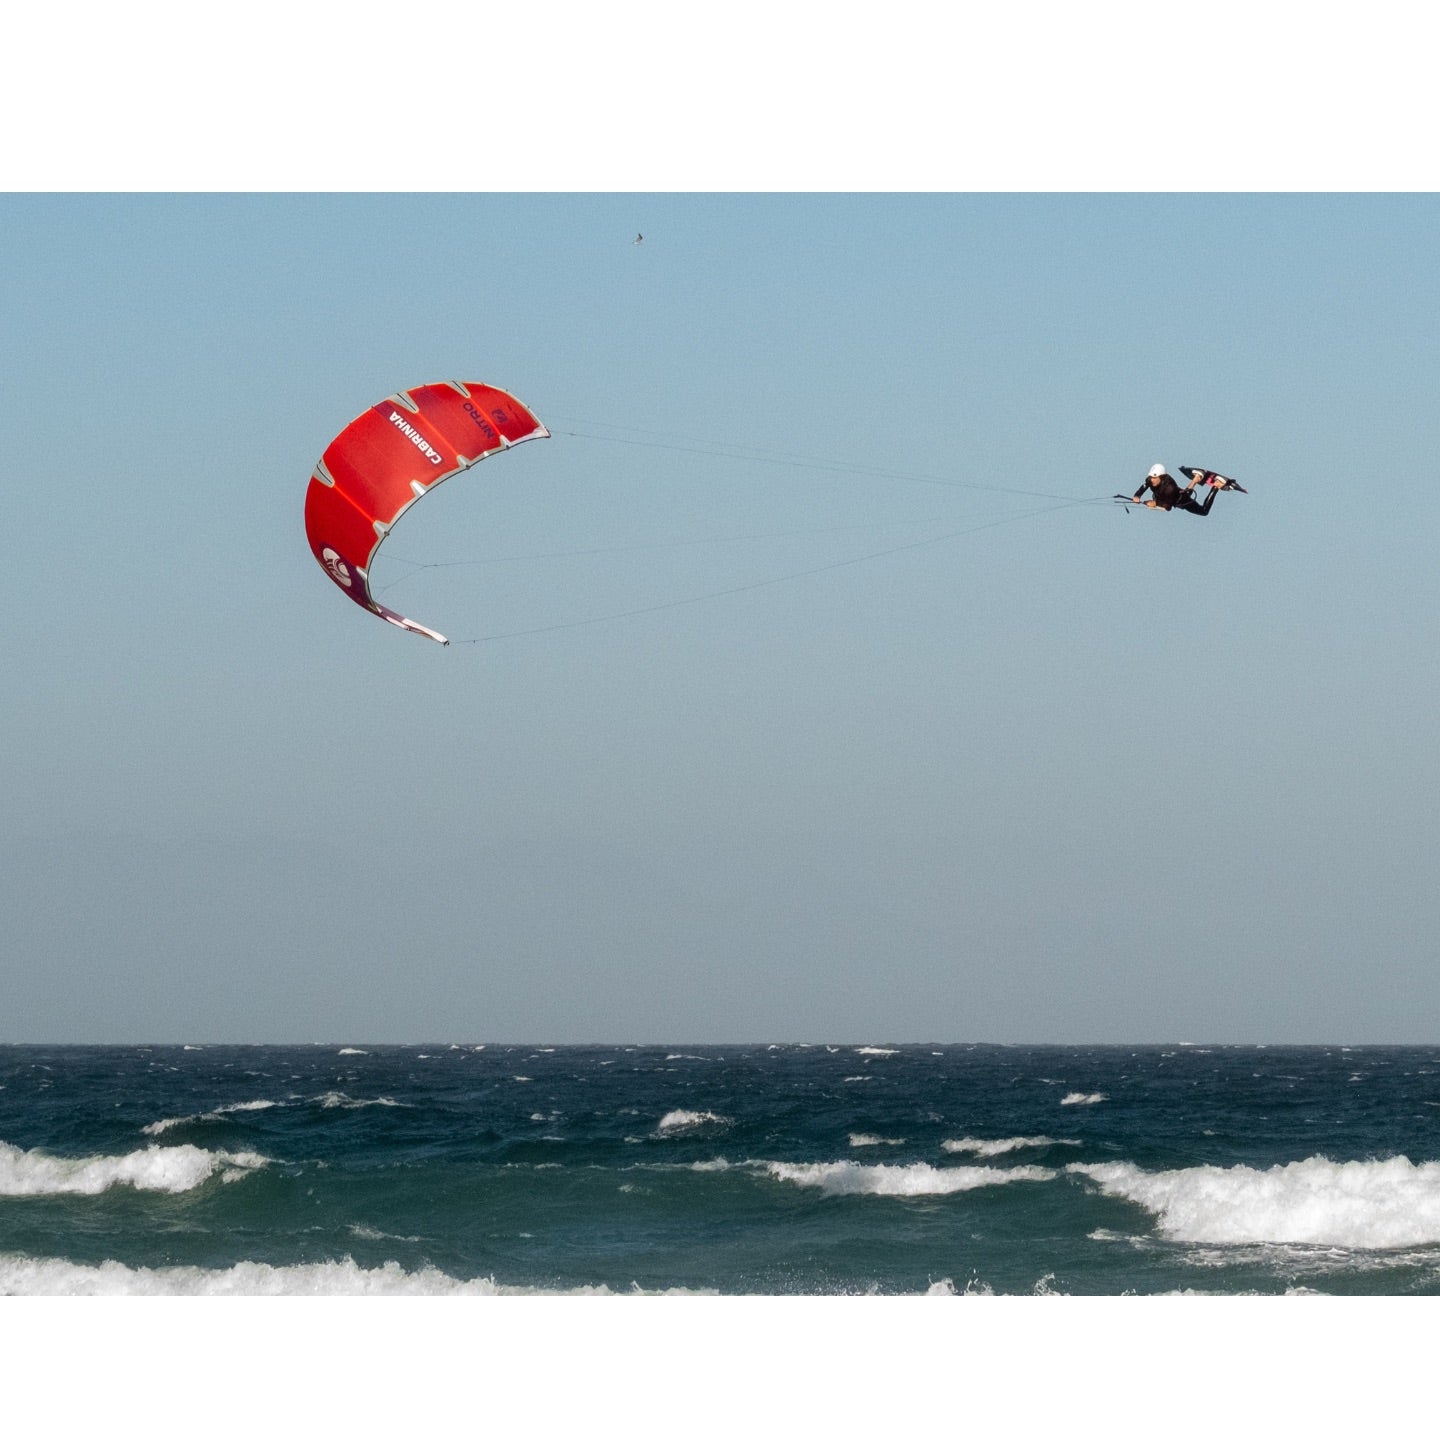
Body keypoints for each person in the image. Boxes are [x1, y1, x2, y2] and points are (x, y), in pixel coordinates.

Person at [1130, 463, 1217, 516]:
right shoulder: (1151, 479)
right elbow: (1144, 486)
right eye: (1151, 477)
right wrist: (1137, 495)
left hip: (1180, 500)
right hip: (1166, 496)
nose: (1152, 480)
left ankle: (1215, 486)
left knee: (1203, 511)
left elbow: (1168, 507)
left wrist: (1154, 503)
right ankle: (1197, 478)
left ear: (1161, 477)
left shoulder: (1170, 488)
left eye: (1154, 477)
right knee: (1186, 492)